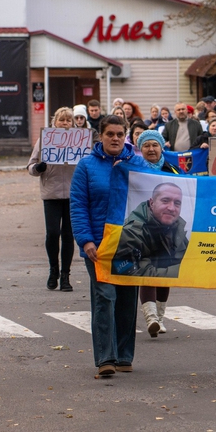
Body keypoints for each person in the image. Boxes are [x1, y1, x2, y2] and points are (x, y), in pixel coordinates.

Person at [71, 115, 148, 378]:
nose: (115, 139)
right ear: (100, 136)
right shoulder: (86, 167)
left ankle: (124, 356)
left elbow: (150, 200)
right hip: (99, 247)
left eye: (119, 134)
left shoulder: (137, 164)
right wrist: (86, 240)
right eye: (110, 134)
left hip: (130, 245)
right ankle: (106, 358)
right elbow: (78, 205)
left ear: (126, 135)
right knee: (105, 298)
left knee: (126, 301)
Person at [126, 129, 185, 336]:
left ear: (162, 147)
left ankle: (160, 317)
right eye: (146, 146)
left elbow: (189, 189)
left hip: (169, 230)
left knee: (165, 273)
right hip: (142, 228)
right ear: (140, 149)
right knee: (146, 269)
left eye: (155, 145)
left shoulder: (174, 170)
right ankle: (150, 317)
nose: (151, 149)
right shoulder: (133, 170)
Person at [28, 107, 78, 292]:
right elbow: (31, 166)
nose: (65, 124)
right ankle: (53, 269)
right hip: (51, 193)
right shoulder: (44, 140)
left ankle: (65, 275)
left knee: (68, 235)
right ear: (54, 122)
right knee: (52, 233)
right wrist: (39, 168)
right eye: (61, 120)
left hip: (73, 195)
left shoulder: (79, 141)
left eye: (68, 120)